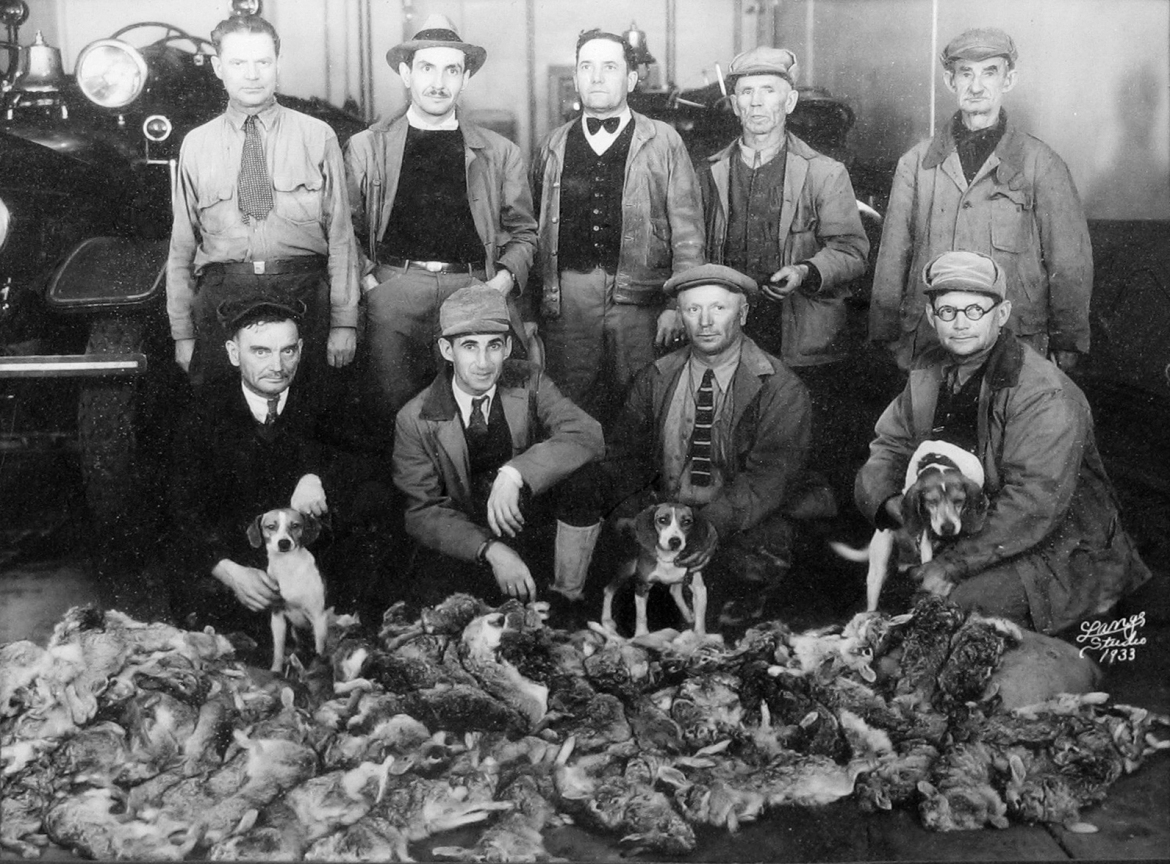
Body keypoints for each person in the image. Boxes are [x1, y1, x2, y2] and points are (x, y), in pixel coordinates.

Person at [856, 251, 1149, 634]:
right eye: (947, 312)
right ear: (931, 317)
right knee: (890, 608)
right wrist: (895, 506)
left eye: (974, 310)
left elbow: (1034, 503)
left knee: (947, 611)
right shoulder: (928, 375)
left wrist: (950, 564)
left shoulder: (1044, 393)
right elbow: (887, 448)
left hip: (1058, 547)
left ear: (1003, 313)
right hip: (976, 532)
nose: (960, 324)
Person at [558, 264, 821, 628]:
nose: (706, 322)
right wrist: (640, 521)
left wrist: (708, 526)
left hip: (733, 523)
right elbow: (626, 457)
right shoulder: (656, 377)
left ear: (743, 313)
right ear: (680, 315)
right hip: (665, 522)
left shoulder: (780, 388)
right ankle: (568, 600)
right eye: (693, 310)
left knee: (720, 629)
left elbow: (769, 478)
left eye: (719, 308)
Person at [344, 14, 537, 435]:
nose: (438, 81)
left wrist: (498, 286)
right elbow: (345, 232)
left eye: (452, 69)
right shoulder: (367, 147)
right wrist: (373, 288)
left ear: (465, 78)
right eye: (426, 68)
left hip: (472, 291)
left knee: (469, 422)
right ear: (405, 74)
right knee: (392, 417)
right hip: (394, 290)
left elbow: (525, 233)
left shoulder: (500, 152)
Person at [698, 45, 869, 505]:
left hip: (799, 334)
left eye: (768, 91)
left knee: (800, 459)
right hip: (733, 330)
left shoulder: (824, 173)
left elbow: (853, 250)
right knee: (732, 447)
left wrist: (806, 270)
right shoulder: (710, 172)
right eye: (746, 92)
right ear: (733, 103)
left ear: (789, 102)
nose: (756, 103)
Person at [869, 27, 1092, 373]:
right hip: (931, 340)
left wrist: (1067, 340)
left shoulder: (1041, 164)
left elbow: (1069, 262)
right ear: (949, 80)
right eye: (965, 74)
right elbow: (893, 257)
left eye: (990, 72)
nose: (976, 86)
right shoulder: (915, 164)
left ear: (1009, 79)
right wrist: (884, 333)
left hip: (1015, 339)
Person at [169, 300, 381, 648]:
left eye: (287, 351)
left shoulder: (327, 399)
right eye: (261, 352)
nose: (277, 366)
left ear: (300, 350)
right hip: (242, 574)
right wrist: (227, 571)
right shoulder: (201, 413)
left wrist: (318, 478)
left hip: (309, 576)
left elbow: (372, 468)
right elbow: (179, 511)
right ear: (234, 353)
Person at [166, 14, 358, 391]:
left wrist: (344, 322)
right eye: (238, 63)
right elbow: (182, 248)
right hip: (224, 298)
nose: (252, 74)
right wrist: (183, 333)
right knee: (224, 425)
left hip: (303, 293)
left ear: (277, 65)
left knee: (309, 420)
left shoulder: (317, 136)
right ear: (219, 68)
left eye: (263, 62)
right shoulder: (197, 144)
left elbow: (341, 238)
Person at [531, 28, 705, 425]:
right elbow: (529, 234)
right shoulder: (551, 146)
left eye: (609, 67)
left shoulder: (664, 141)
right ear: (575, 77)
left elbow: (689, 234)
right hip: (569, 302)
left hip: (643, 300)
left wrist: (677, 304)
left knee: (644, 400)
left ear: (630, 79)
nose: (596, 77)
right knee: (567, 405)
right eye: (586, 67)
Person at [392, 284, 604, 609]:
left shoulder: (529, 380)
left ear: (507, 347)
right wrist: (491, 549)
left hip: (529, 527)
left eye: (493, 346)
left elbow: (587, 433)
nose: (483, 362)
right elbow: (422, 511)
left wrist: (516, 472)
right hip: (470, 541)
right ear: (447, 351)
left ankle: (567, 598)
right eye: (469, 347)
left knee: (584, 478)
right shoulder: (415, 417)